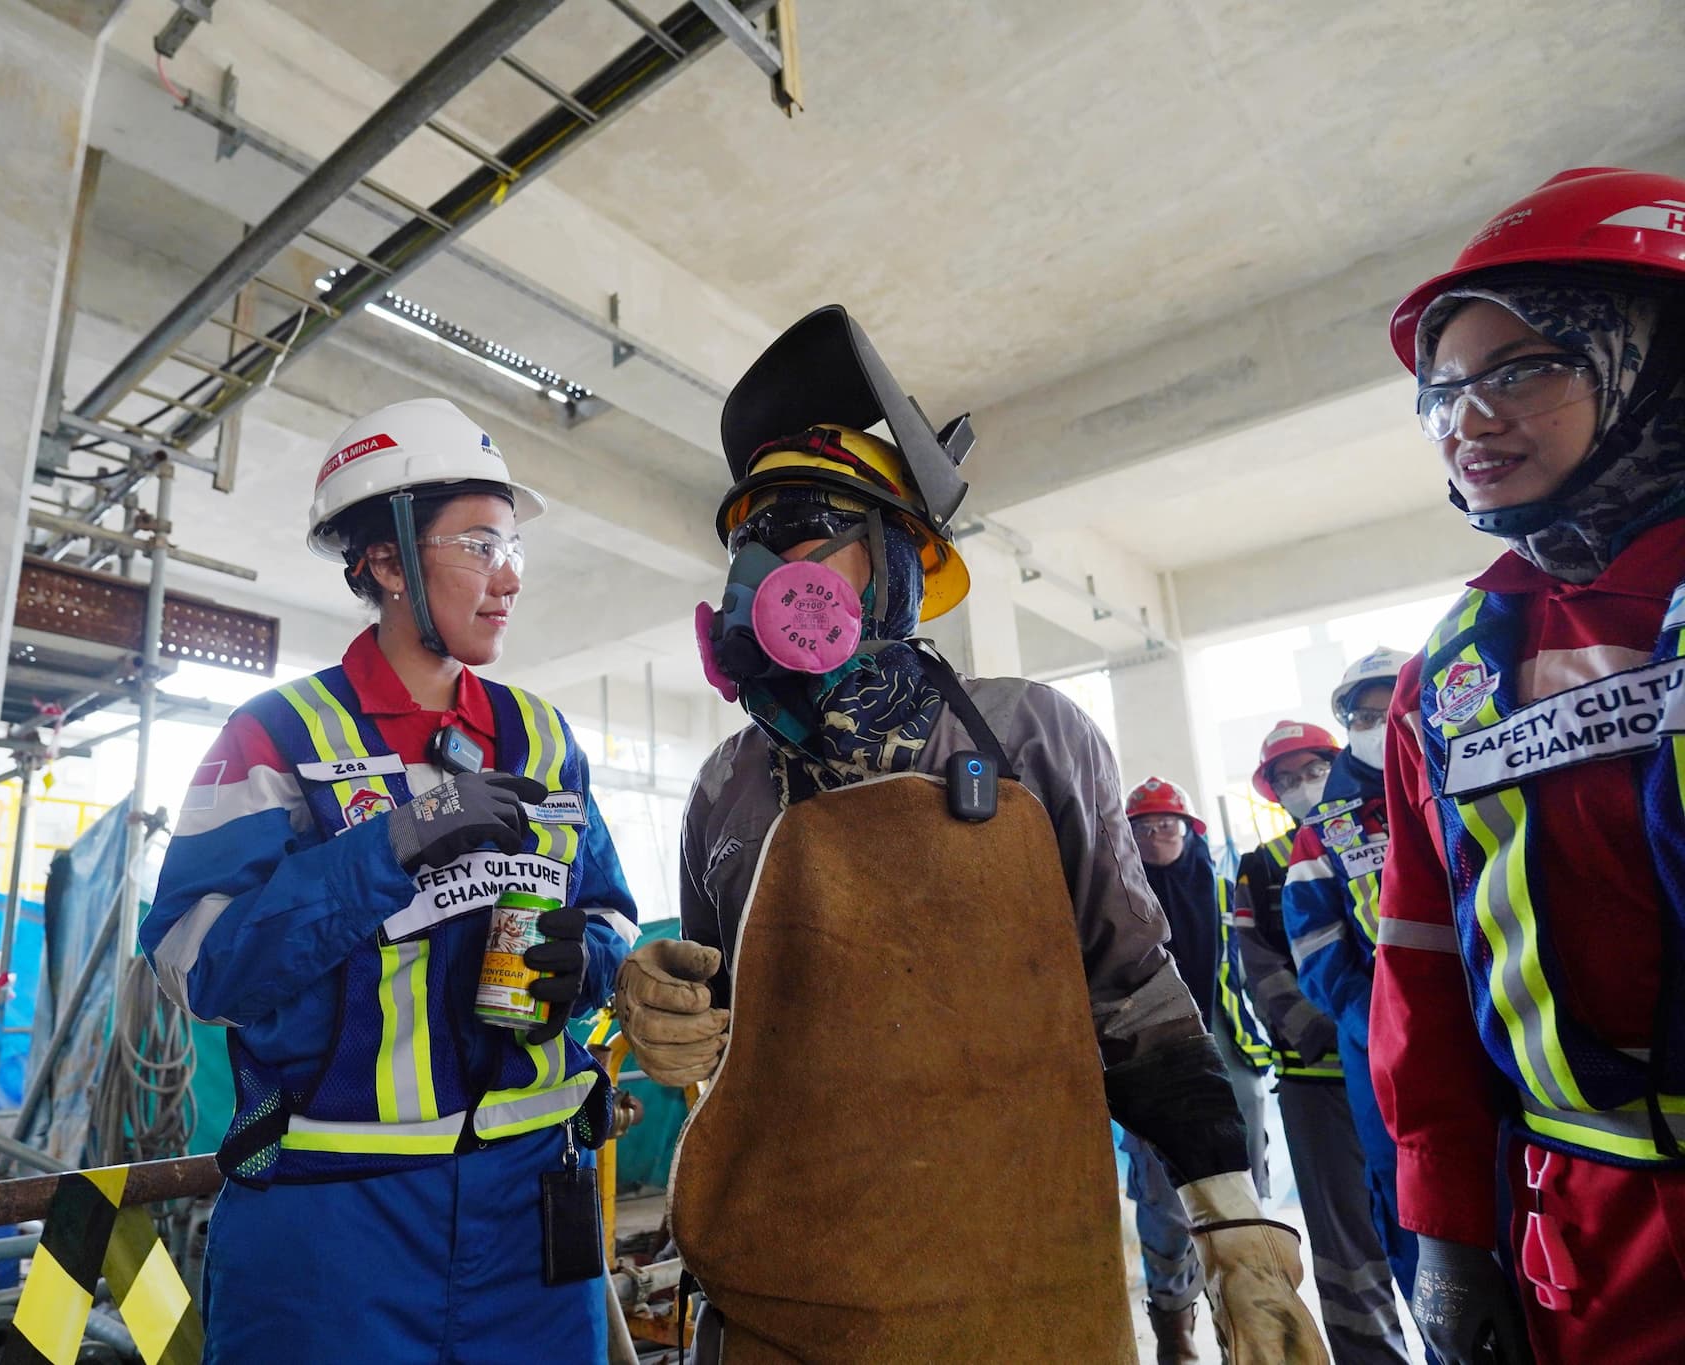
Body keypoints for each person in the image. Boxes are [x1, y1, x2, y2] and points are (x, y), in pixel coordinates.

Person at [613, 306, 1324, 1363]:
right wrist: (659, 1008)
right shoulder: (727, 782)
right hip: (787, 1293)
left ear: (898, 555)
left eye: (800, 525)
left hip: (1021, 1282)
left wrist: (1231, 1225)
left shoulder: (1030, 734)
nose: (758, 568)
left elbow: (1134, 996)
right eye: (746, 542)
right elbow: (721, 1035)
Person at [140, 397, 641, 1363]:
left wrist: (592, 961)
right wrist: (394, 842)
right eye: (480, 545)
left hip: (534, 1209)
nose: (509, 577)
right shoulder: (277, 737)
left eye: (513, 549)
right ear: (387, 561)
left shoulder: (543, 737)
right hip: (335, 1226)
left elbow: (610, 910)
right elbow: (200, 966)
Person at [1373, 167, 1685, 1365]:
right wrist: (1446, 1229)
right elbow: (1420, 961)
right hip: (1582, 1239)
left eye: (1521, 370)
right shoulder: (1449, 671)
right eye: (1441, 394)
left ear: (1646, 360)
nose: (1467, 421)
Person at [1236, 720, 1413, 1364]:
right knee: (1346, 1246)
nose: (1302, 785)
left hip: (1405, 1063)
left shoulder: (1384, 830)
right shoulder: (1260, 867)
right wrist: (1332, 1031)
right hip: (1317, 1080)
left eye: (1312, 769)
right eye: (1286, 778)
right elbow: (1258, 966)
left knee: (1430, 1221)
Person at [1282, 649, 1425, 1334]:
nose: (1380, 722)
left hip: (1497, 1029)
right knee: (1411, 1199)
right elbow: (1316, 949)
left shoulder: (1458, 778)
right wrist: (1386, 1028)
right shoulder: (1322, 832)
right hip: (1385, 1049)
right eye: (1363, 715)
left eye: (1391, 704)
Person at [1122, 776, 1277, 1363]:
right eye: (1142, 827)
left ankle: (1245, 1322)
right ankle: (1174, 1328)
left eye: (1168, 824)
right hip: (1153, 1061)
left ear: (1190, 831)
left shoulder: (1223, 888)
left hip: (1230, 1051)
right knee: (1163, 1202)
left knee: (1242, 1194)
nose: (1157, 835)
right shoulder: (1116, 897)